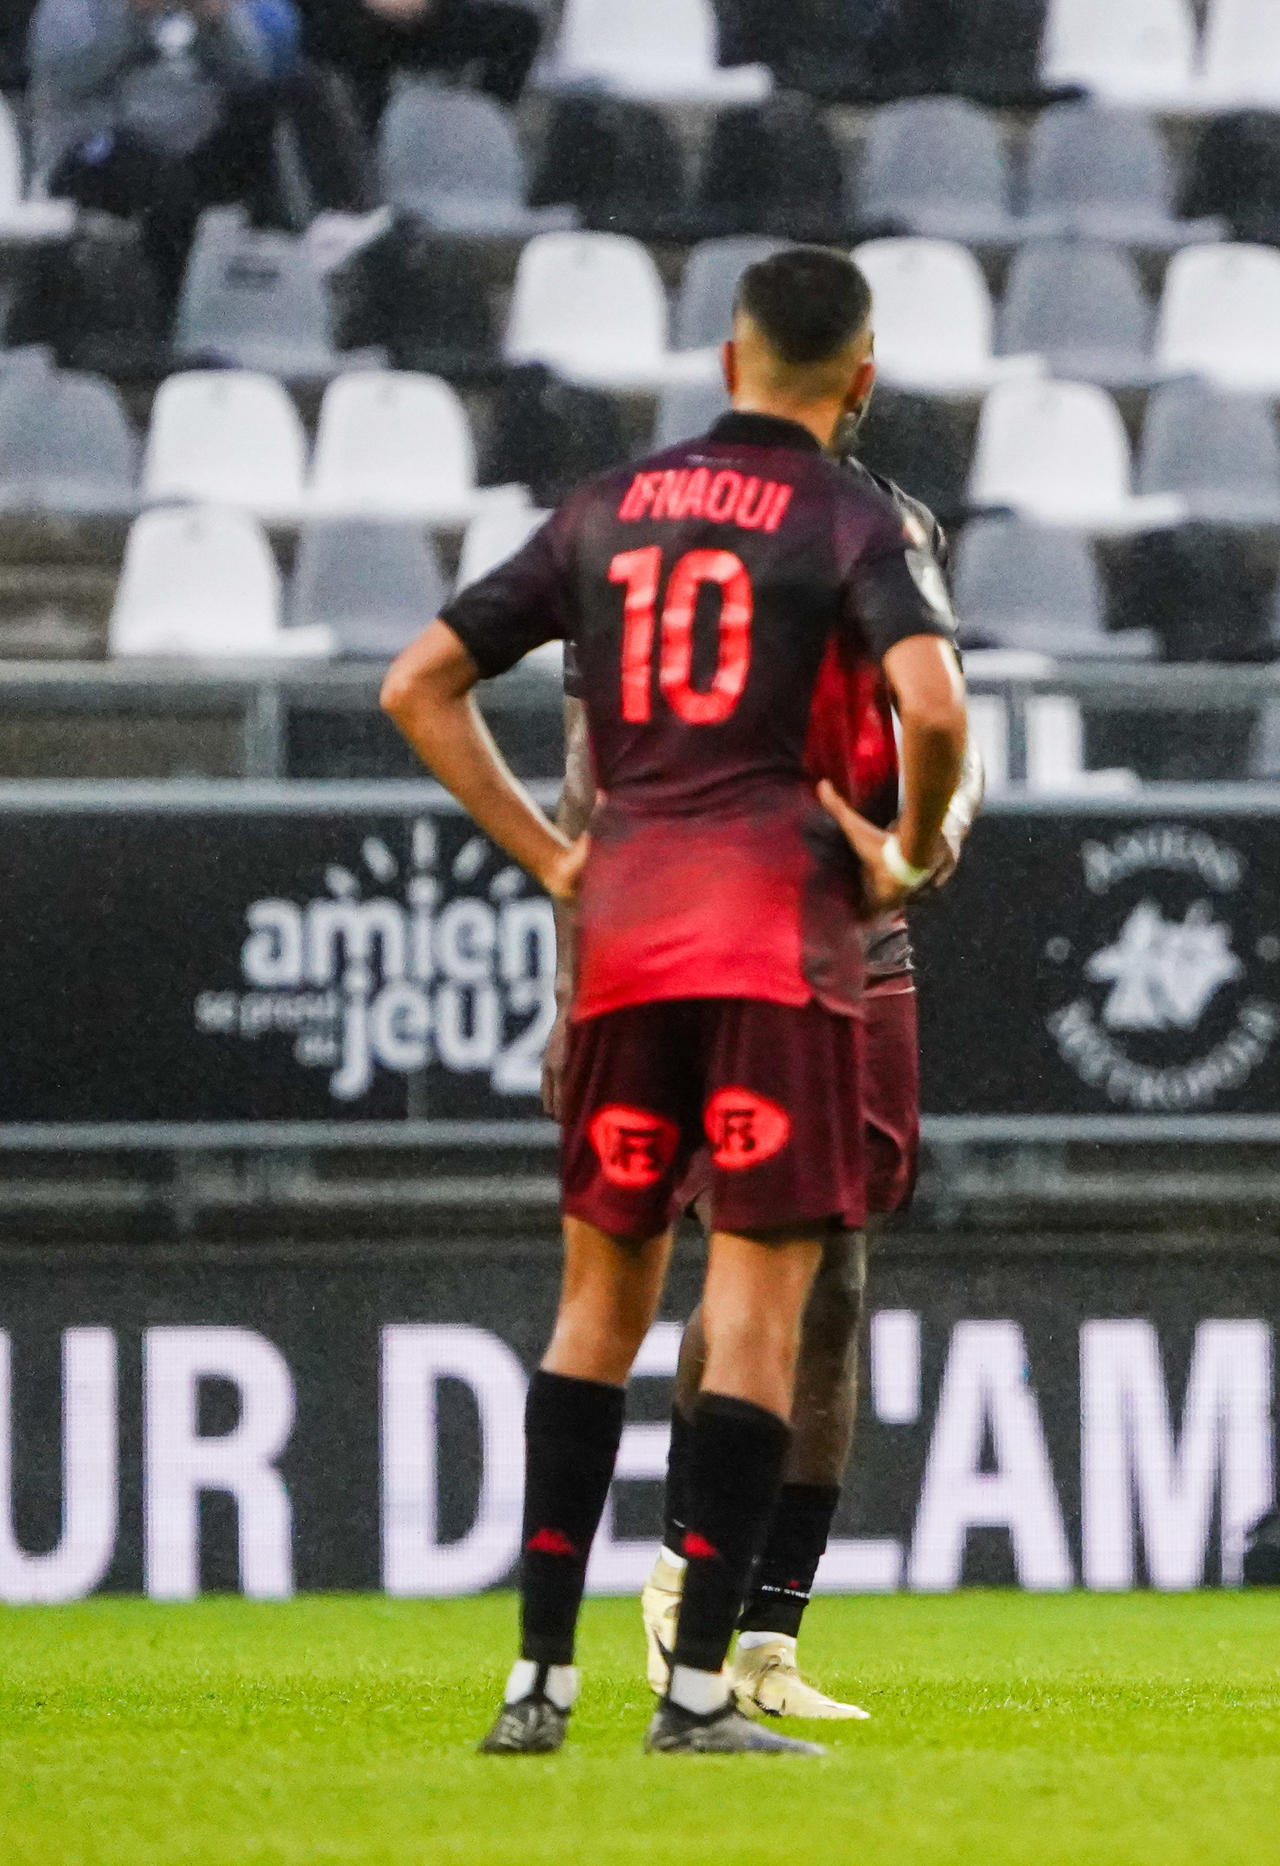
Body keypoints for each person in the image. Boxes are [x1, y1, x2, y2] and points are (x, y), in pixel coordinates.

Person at [382, 245, 972, 1756]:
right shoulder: (854, 515)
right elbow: (938, 709)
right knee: (767, 1309)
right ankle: (702, 1686)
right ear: (861, 378)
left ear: (725, 362)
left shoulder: (606, 507)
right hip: (778, 931)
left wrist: (554, 864)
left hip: (627, 929)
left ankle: (536, 1686)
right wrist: (901, 851)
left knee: (598, 1305)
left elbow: (417, 683)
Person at [616, 447, 985, 1720]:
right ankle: (684, 1591)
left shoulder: (903, 519)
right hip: (728, 919)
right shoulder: (676, 530)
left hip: (866, 933)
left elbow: (944, 722)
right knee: (754, 1247)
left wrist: (928, 838)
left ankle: (768, 1638)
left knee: (842, 1270)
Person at [30, 0, 281, 297]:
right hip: (95, 147)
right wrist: (132, 16)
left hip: (193, 142)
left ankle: (312, 255)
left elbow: (253, 72)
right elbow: (66, 74)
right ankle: (177, 313)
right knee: (167, 187)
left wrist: (217, 24)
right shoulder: (70, 7)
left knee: (290, 101)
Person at [294, 0, 540, 127]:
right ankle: (367, 166)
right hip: (341, 15)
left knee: (518, 28)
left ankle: (480, 135)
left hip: (422, 16)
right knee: (359, 41)